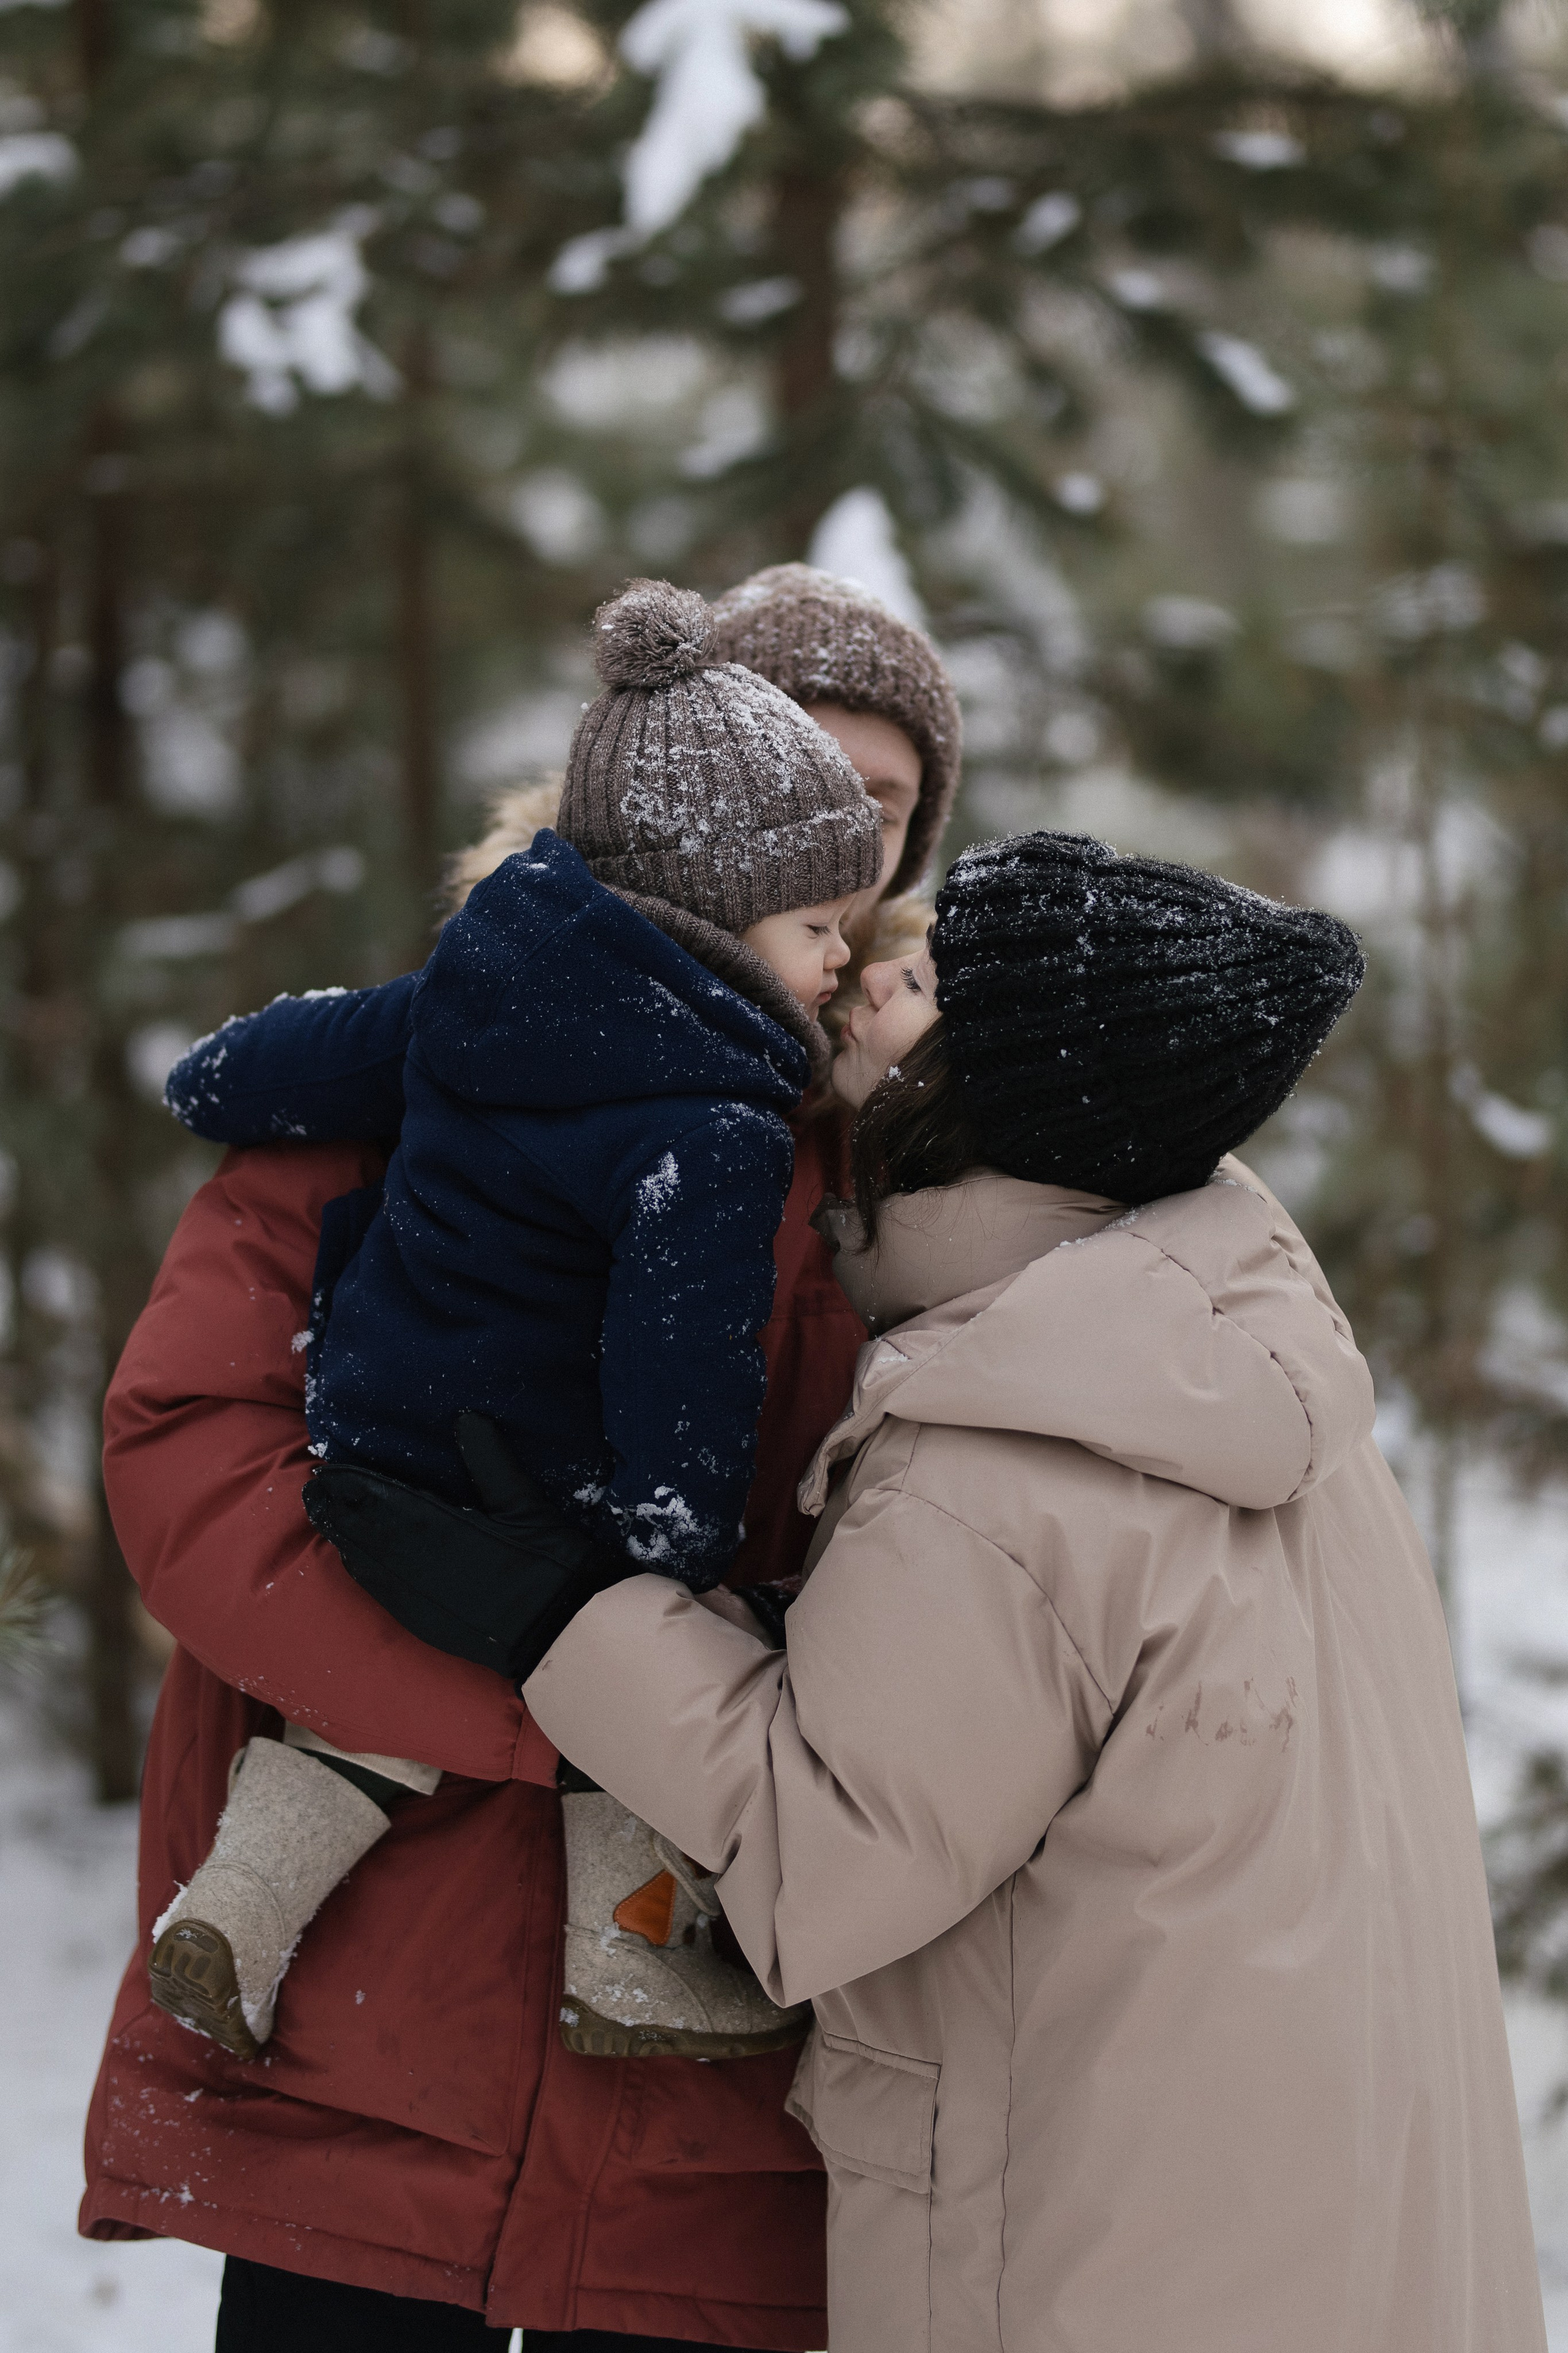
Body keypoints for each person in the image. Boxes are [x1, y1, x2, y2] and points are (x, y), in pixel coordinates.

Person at [497, 833, 1545, 2351]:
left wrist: (552, 1610)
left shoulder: (1003, 1449)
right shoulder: (1227, 1353)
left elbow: (828, 1850)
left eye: (926, 983)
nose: (868, 976)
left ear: (1009, 1089)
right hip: (1301, 2230)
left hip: (1084, 2253)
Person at [80, 563, 962, 2350]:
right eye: (808, 785)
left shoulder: (917, 1177)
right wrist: (546, 1695)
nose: (846, 861)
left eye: (884, 810)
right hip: (365, 2038)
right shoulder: (459, 1067)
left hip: (719, 2126)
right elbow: (193, 1452)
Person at [145, 577, 880, 2068]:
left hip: (369, 1426)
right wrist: (667, 1561)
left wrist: (210, 1079)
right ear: (722, 915)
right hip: (542, 1467)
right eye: (818, 925)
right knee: (650, 1688)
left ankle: (236, 1902)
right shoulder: (720, 1117)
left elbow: (288, 1059)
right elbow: (681, 1351)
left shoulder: (482, 981)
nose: (840, 962)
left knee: (358, 1725)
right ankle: (632, 1968)